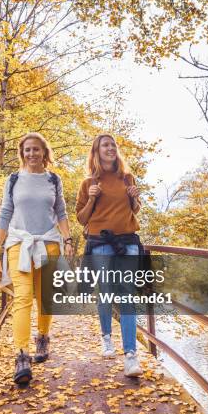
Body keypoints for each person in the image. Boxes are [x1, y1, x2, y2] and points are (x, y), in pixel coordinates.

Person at [0, 132, 73, 387]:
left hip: (48, 243)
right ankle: (22, 356)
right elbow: (5, 213)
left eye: (36, 149)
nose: (32, 154)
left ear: (44, 152)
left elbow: (61, 212)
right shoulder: (13, 180)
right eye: (27, 150)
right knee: (23, 298)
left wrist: (68, 240)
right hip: (19, 243)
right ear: (22, 153)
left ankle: (43, 337)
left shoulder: (53, 180)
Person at [76, 134, 143, 377]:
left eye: (113, 145)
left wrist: (135, 198)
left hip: (128, 242)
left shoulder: (127, 178)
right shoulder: (88, 183)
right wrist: (92, 197)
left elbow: (135, 210)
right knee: (105, 292)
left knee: (127, 295)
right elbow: (82, 219)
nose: (110, 148)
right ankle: (106, 337)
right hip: (100, 243)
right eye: (105, 145)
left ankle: (131, 356)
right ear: (96, 151)